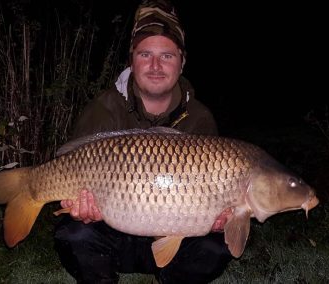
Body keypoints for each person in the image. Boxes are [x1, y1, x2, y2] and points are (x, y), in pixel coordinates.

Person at [54, 0, 232, 283]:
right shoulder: (103, 109)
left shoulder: (199, 118)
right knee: (73, 234)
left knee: (216, 246)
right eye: (145, 54)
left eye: (167, 56)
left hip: (175, 237)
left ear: (182, 62)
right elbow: (73, 175)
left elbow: (213, 202)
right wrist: (81, 212)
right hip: (114, 234)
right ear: (132, 59)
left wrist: (219, 221)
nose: (155, 66)